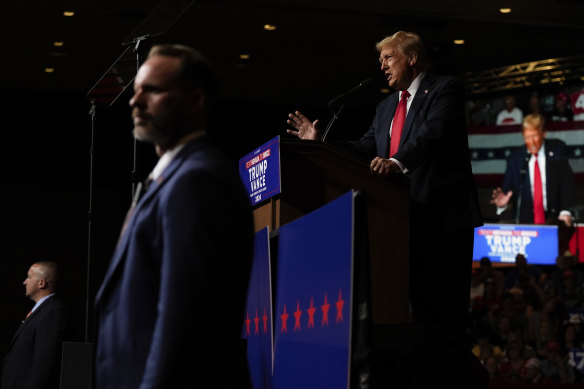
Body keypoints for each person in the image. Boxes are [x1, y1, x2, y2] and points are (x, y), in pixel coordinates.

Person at [286, 31, 485, 385]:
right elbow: (364, 149)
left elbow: (433, 134)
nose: (382, 66)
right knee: (411, 316)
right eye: (380, 60)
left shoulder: (444, 89)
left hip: (441, 221)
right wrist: (322, 144)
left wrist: (396, 161)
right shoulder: (385, 107)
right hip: (397, 223)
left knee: (445, 316)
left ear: (411, 58)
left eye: (388, 58)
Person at [94, 44, 254, 389]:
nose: (135, 101)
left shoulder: (198, 180)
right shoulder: (171, 178)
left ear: (196, 102)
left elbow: (184, 321)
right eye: (137, 90)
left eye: (152, 91)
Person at [491, 114, 576, 228]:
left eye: (535, 136)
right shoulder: (515, 159)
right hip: (525, 224)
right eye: (527, 137)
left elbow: (567, 184)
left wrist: (566, 211)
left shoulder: (557, 149)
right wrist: (503, 205)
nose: (531, 142)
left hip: (554, 221)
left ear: (543, 133)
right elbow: (507, 192)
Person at [2, 261, 67, 389]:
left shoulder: (53, 312)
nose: (24, 282)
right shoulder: (41, 310)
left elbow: (43, 362)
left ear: (41, 283)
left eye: (29, 277)